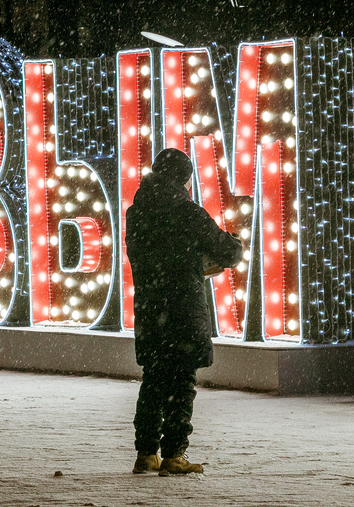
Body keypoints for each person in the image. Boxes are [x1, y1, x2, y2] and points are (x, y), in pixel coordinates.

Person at [126, 148, 243, 475]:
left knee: (153, 381)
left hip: (150, 309)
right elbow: (226, 251)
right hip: (182, 309)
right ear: (182, 178)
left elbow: (145, 258)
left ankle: (146, 454)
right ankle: (174, 455)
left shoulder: (136, 213)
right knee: (181, 384)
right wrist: (235, 243)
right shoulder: (186, 211)